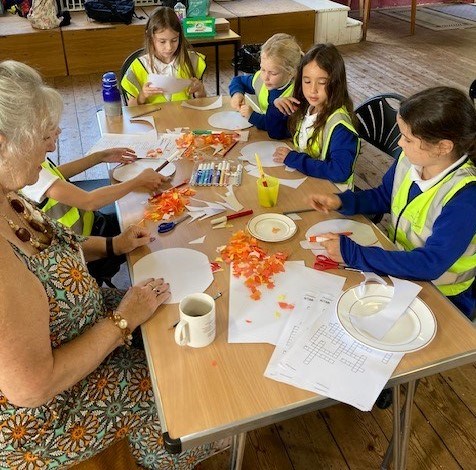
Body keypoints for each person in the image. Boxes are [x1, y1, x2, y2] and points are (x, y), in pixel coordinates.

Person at [0, 60, 227, 468]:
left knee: (171, 323)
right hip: (47, 412)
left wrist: (114, 243)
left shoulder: (9, 196)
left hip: (88, 325)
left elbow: (56, 251)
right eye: (41, 137)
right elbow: (31, 388)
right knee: (175, 383)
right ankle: (171, 450)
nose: (50, 147)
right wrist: (122, 322)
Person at [308, 86, 476, 319]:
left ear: (443, 147)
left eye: (407, 138)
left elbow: (430, 264)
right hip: (398, 263)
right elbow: (384, 196)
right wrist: (341, 201)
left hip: (443, 295)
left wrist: (354, 254)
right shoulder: (411, 161)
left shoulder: (466, 197)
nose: (399, 144)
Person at [268, 43, 360, 191]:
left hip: (332, 195)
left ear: (336, 82)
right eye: (307, 81)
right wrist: (276, 107)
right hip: (309, 183)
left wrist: (294, 159)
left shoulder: (340, 127)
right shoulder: (306, 107)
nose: (313, 90)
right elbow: (276, 133)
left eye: (322, 82)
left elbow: (340, 171)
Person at [121, 6, 207, 105]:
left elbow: (202, 100)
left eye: (174, 40)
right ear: (150, 37)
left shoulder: (193, 60)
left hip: (185, 117)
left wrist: (199, 89)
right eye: (162, 41)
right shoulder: (138, 67)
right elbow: (131, 107)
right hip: (154, 118)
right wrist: (143, 95)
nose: (169, 47)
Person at [229, 33, 302, 130]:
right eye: (263, 69)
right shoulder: (260, 78)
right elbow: (238, 80)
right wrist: (237, 94)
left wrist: (252, 116)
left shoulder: (296, 95)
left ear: (291, 72)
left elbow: (279, 127)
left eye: (273, 73)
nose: (265, 77)